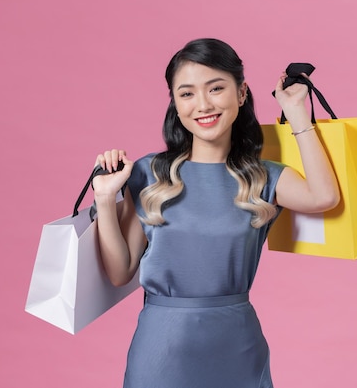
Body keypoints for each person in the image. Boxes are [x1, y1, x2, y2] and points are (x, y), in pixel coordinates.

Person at [92, 38, 340, 388]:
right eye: (187, 93)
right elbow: (119, 273)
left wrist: (297, 112)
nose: (203, 104)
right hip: (162, 350)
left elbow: (323, 196)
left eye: (216, 88)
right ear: (175, 104)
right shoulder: (150, 173)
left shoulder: (264, 177)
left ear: (241, 93)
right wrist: (105, 200)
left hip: (236, 345)